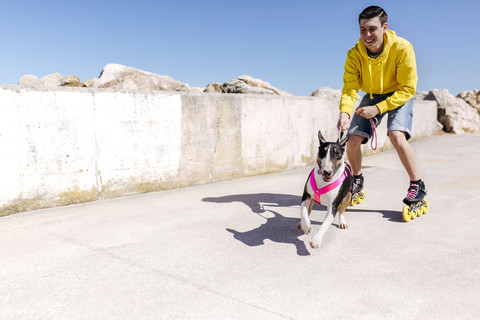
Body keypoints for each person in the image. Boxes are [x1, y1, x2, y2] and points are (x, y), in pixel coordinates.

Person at [336, 5, 427, 206]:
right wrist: (345, 113)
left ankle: (417, 185)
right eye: (362, 29)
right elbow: (350, 88)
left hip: (399, 94)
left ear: (384, 27)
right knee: (352, 140)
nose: (367, 34)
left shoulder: (402, 48)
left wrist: (378, 109)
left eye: (372, 29)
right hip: (372, 95)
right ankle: (357, 179)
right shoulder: (354, 54)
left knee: (396, 135)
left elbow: (407, 89)